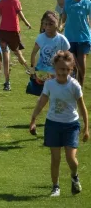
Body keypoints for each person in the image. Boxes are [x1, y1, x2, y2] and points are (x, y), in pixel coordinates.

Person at [29, 51, 88, 197]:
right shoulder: (49, 84)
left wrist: (86, 128)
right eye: (61, 69)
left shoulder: (74, 86)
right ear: (55, 67)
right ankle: (55, 187)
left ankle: (74, 176)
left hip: (71, 125)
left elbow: (82, 107)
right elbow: (42, 101)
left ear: (71, 69)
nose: (64, 72)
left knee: (71, 158)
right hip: (53, 124)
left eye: (67, 70)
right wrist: (33, 119)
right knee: (55, 158)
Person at [0, 0, 32, 91]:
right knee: (17, 53)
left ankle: (6, 81)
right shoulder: (15, 1)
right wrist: (27, 23)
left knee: (5, 54)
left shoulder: (0, 3)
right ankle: (29, 70)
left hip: (3, 32)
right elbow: (20, 15)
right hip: (13, 32)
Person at [29, 11, 70, 96]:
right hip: (41, 72)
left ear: (57, 24)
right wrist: (33, 69)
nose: (47, 27)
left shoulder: (62, 40)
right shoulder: (41, 37)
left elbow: (68, 58)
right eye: (45, 24)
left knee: (55, 96)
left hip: (55, 74)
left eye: (51, 24)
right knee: (42, 96)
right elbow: (33, 53)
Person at [63, 0, 91, 87]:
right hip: (69, 37)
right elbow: (64, 15)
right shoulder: (68, 1)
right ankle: (73, 86)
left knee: (81, 63)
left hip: (83, 37)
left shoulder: (88, 2)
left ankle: (80, 86)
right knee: (72, 65)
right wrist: (61, 25)